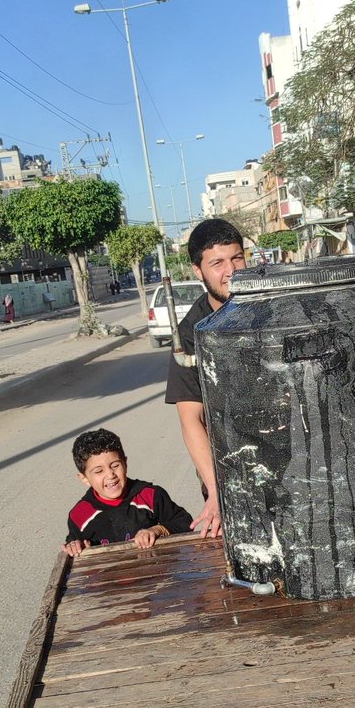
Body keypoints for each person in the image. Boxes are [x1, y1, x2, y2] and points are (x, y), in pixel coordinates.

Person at [165, 218, 246, 539]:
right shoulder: (190, 333)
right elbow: (190, 419)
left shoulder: (274, 304)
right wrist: (217, 491)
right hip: (228, 470)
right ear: (198, 270)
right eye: (217, 263)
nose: (231, 271)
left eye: (237, 257)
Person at [63, 427, 193, 558]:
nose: (110, 475)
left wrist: (157, 530)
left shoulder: (150, 496)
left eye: (115, 465)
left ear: (125, 463)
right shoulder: (79, 514)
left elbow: (185, 522)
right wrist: (76, 547)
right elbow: (73, 546)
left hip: (156, 572)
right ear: (84, 478)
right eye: (98, 471)